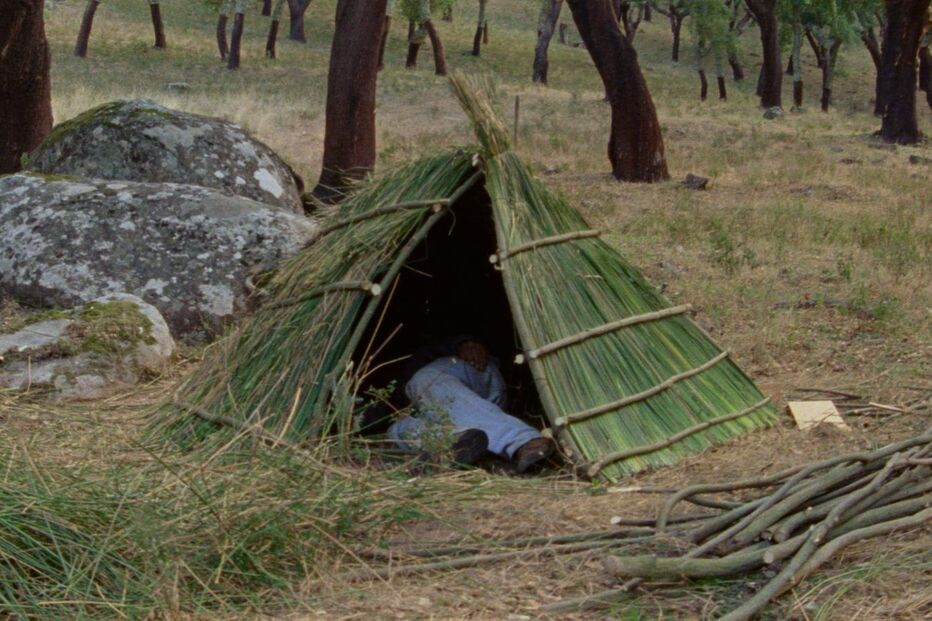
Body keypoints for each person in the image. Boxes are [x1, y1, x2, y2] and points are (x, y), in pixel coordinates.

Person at [386, 336, 555, 473]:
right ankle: (472, 450)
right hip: (431, 412)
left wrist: (460, 342)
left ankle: (522, 440)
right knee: (399, 429)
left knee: (425, 380)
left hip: (470, 372)